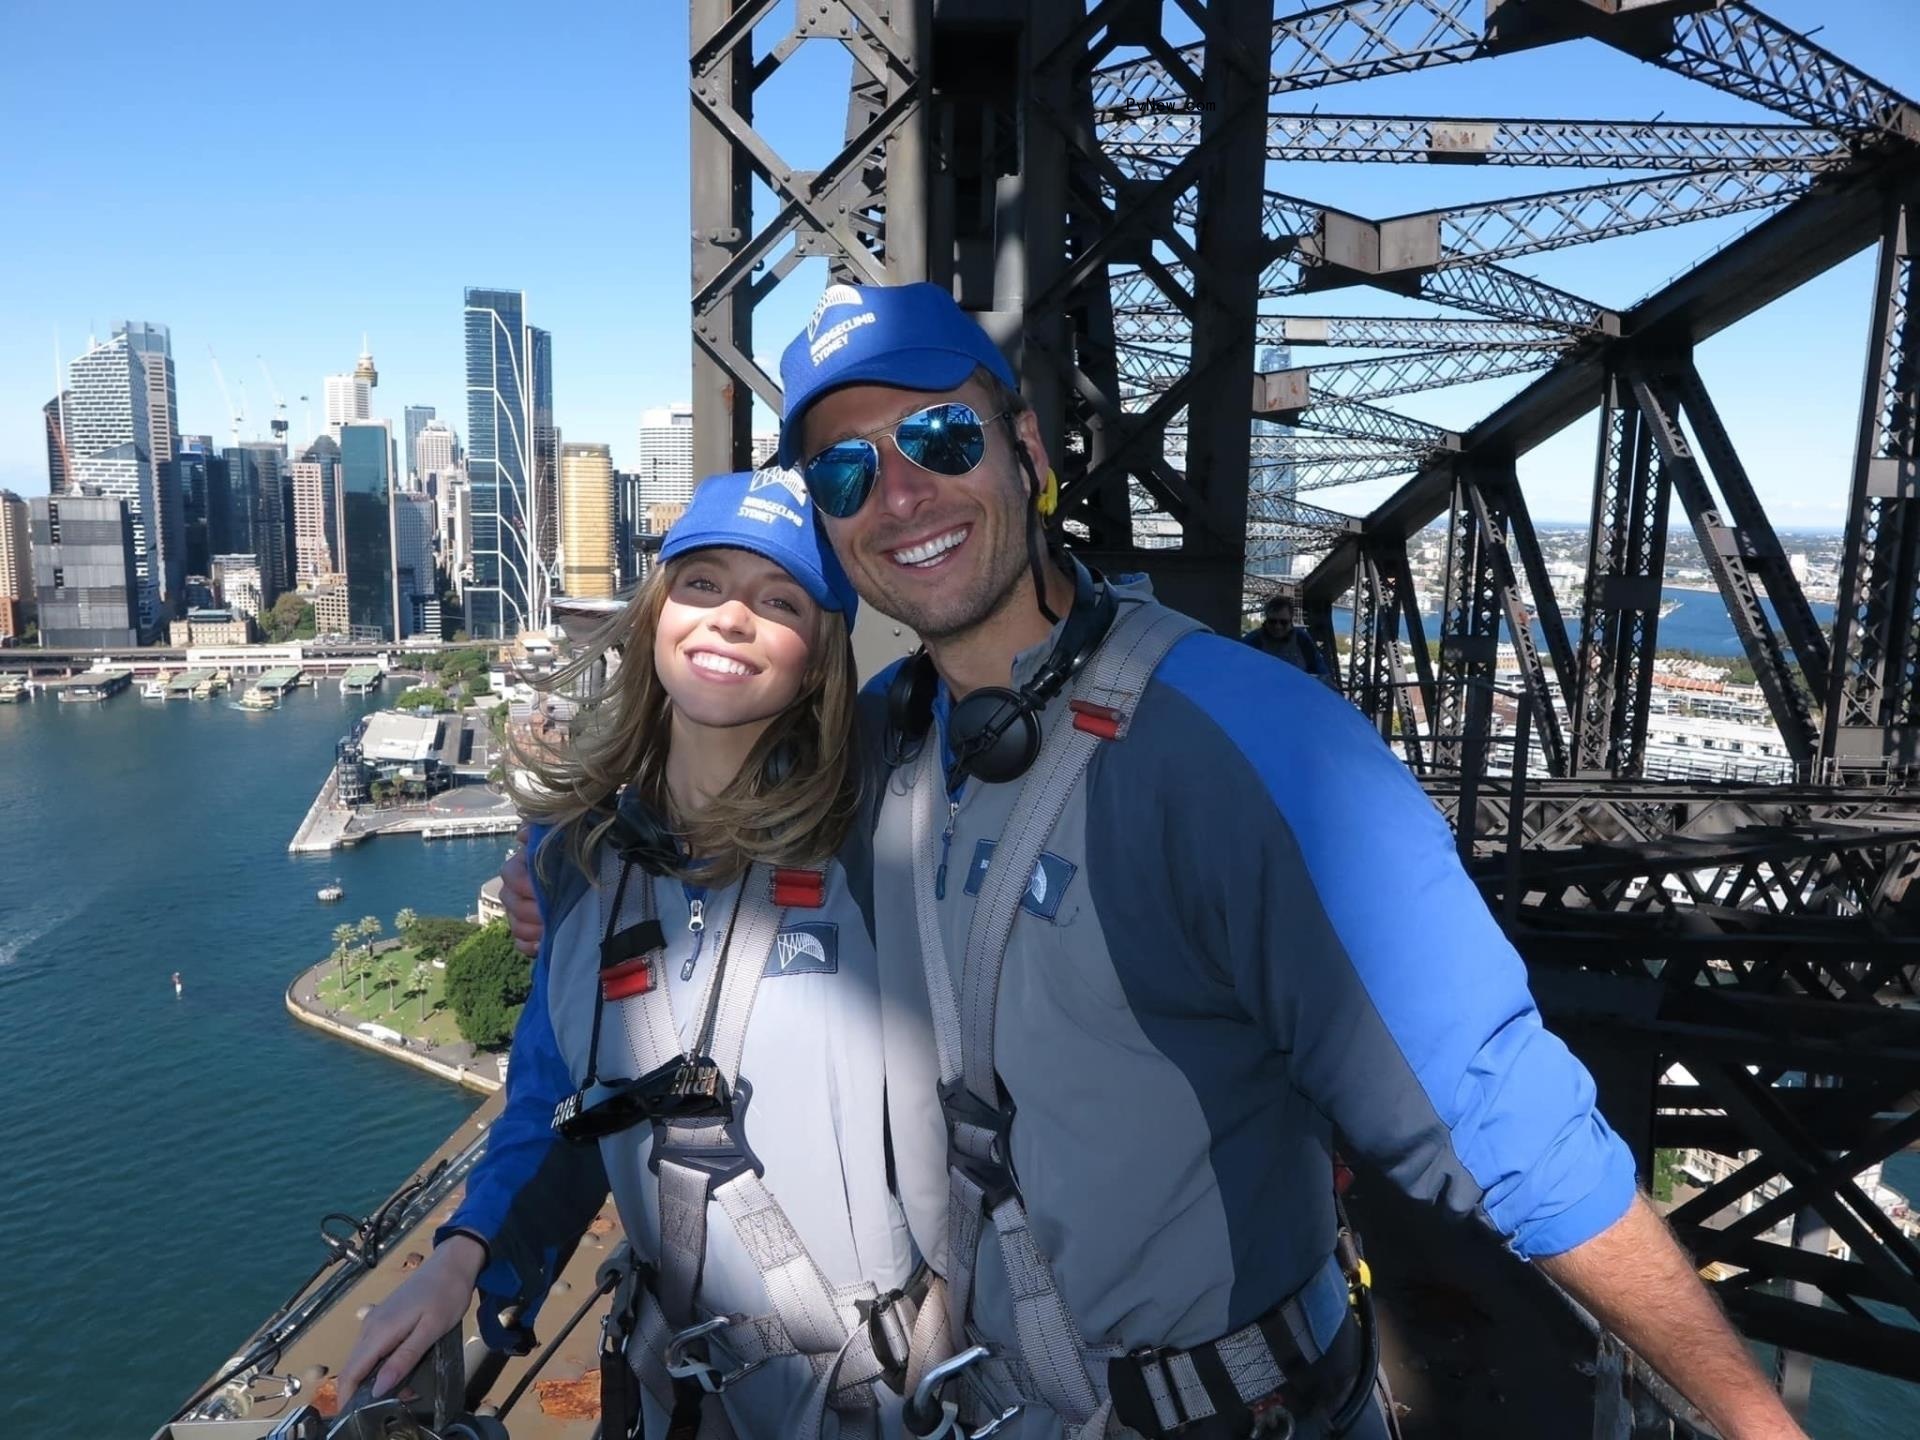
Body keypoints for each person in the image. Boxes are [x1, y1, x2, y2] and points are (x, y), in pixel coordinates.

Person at [500, 282, 1807, 1440]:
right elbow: (691, 833)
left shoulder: (1249, 744)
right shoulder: (883, 756)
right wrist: (550, 868)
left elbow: (1504, 1116)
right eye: (844, 474)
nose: (897, 495)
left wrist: (1749, 1421)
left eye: (942, 441)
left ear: (1026, 451)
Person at [338, 470, 940, 1440]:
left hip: (882, 1397)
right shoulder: (574, 862)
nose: (731, 618)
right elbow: (553, 1098)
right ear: (655, 613)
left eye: (779, 599)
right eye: (701, 584)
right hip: (677, 1396)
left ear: (822, 656)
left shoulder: (881, 829)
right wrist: (461, 1256)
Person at [1244, 593, 1330, 682]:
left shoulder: (1301, 640)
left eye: (1283, 622)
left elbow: (1322, 673)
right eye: (1272, 622)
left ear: (1291, 621)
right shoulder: (1253, 641)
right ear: (1266, 620)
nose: (1278, 627)